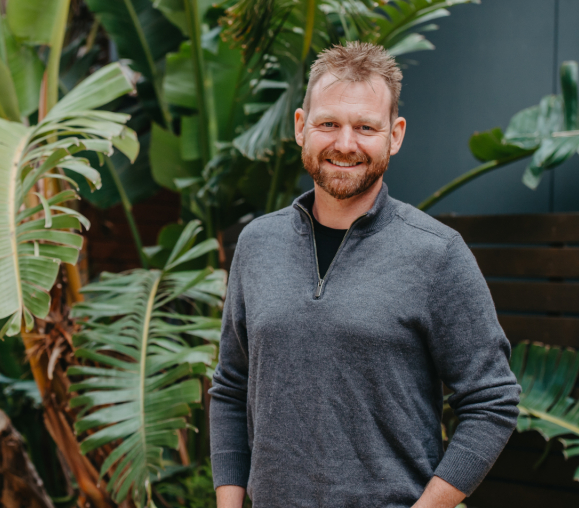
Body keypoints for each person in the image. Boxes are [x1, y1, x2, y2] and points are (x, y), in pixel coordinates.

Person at [208, 41, 521, 508]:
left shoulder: (437, 254)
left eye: (365, 127)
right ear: (301, 127)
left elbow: (492, 402)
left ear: (394, 135)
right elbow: (232, 387)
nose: (345, 143)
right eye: (328, 123)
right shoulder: (257, 244)